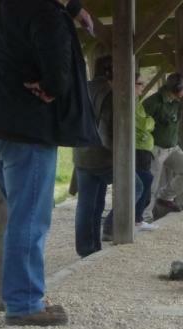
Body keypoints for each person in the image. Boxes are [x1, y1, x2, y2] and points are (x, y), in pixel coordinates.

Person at [0, 0, 100, 326]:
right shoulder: (44, 12)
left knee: (20, 215)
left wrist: (72, 9)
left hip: (1, 123)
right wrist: (51, 87)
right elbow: (57, 70)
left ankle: (23, 295)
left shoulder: (2, 7)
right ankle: (24, 303)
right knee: (31, 220)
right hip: (30, 129)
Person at [103, 75, 157, 237]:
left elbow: (145, 123)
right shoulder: (130, 101)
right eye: (140, 83)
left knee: (143, 182)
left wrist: (148, 122)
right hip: (135, 148)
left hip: (140, 148)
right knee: (138, 184)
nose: (143, 87)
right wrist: (149, 121)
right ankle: (113, 224)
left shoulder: (136, 101)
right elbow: (145, 123)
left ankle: (134, 219)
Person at [71, 54, 113, 258]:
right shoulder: (109, 92)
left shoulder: (83, 87)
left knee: (87, 204)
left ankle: (88, 248)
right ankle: (97, 242)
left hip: (81, 151)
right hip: (102, 155)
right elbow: (107, 130)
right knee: (137, 187)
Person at [142, 73, 183, 220]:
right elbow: (141, 125)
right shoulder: (153, 102)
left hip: (172, 147)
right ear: (175, 87)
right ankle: (145, 217)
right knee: (152, 185)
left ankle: (165, 197)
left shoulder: (176, 102)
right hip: (155, 148)